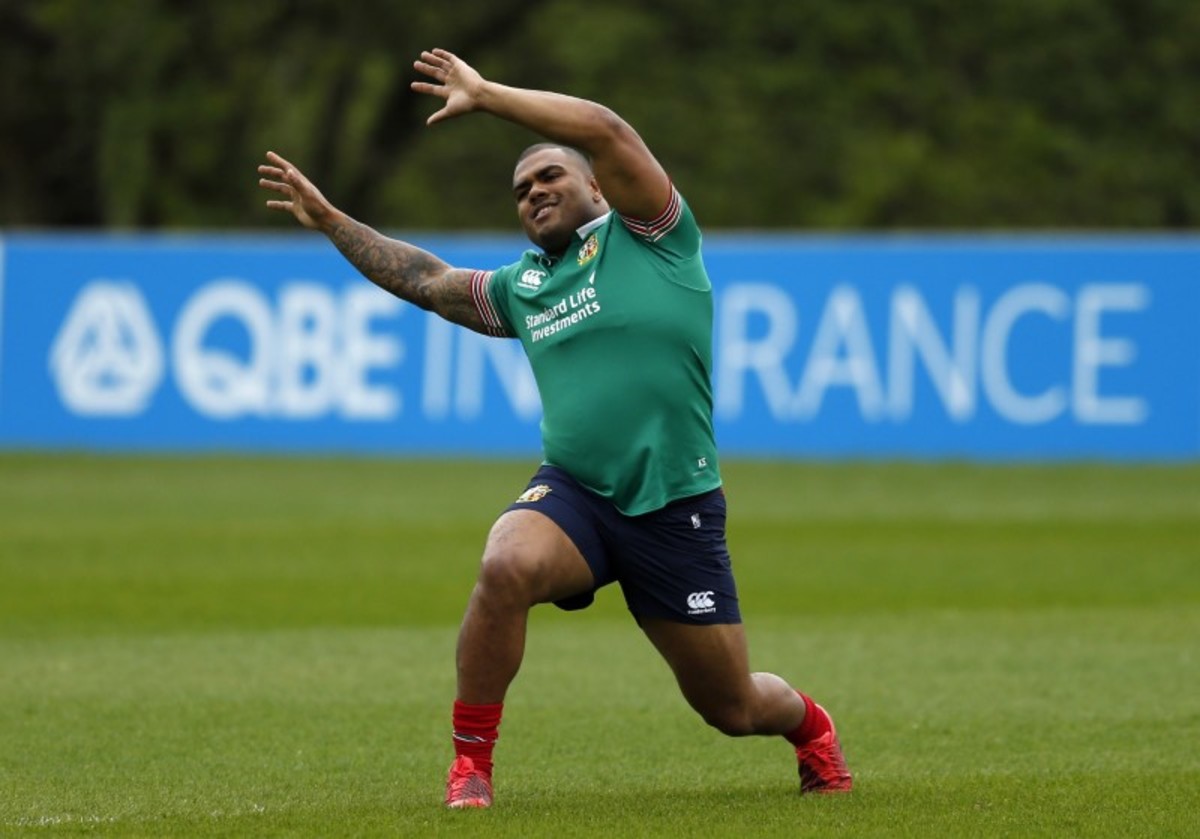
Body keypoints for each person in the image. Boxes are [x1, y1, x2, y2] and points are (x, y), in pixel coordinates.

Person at [258, 47, 851, 809]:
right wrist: (332, 221)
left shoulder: (653, 235)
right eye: (521, 190)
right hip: (578, 494)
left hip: (676, 505)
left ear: (596, 186)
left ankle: (811, 727)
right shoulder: (525, 286)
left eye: (550, 177)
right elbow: (429, 282)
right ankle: (471, 765)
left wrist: (486, 94)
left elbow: (605, 129)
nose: (534, 191)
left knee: (731, 705)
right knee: (506, 563)